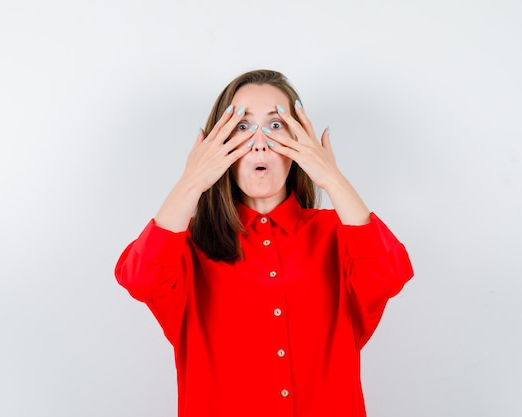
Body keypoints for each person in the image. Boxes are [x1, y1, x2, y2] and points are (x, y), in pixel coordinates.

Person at [115, 69, 414, 417]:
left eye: (276, 125)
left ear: (300, 144)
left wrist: (331, 177)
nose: (259, 142)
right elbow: (139, 279)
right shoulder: (188, 245)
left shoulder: (339, 233)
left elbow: (390, 274)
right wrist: (191, 182)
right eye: (242, 126)